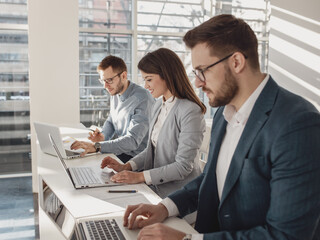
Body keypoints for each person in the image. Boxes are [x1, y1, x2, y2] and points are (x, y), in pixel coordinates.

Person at [122, 14, 320, 240]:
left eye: (202, 70)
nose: (197, 82)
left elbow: (286, 236)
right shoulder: (223, 115)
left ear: (236, 62)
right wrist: (166, 207)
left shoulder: (298, 122)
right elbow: (210, 179)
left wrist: (187, 239)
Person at [101, 48, 207, 198]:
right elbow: (152, 149)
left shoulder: (190, 111)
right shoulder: (158, 105)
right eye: (144, 80)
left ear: (167, 76)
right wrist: (127, 166)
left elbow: (183, 167)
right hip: (154, 188)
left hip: (180, 195)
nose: (145, 86)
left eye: (149, 79)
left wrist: (139, 177)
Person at [71, 56, 154, 163]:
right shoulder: (115, 91)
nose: (105, 86)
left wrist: (97, 146)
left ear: (123, 75)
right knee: (81, 162)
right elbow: (111, 120)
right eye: (103, 81)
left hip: (136, 160)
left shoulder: (143, 99)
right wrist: (104, 136)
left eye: (109, 80)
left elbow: (132, 141)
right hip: (120, 152)